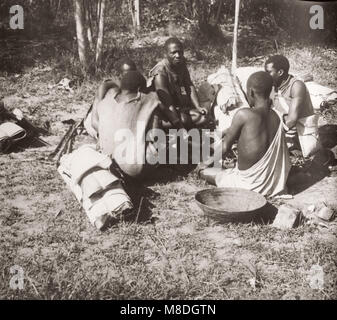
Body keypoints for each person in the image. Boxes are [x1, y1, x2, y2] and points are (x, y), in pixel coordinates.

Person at [197, 71, 291, 197]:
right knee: (230, 168)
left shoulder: (244, 114)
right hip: (275, 184)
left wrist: (203, 164)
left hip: (249, 185)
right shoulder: (277, 116)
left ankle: (205, 171)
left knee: (206, 171)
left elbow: (225, 147)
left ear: (250, 92)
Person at [96, 70, 162, 179]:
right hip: (132, 169)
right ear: (139, 90)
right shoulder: (149, 100)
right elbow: (155, 136)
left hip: (105, 163)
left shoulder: (105, 102)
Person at [265, 54, 323, 158]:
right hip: (285, 132)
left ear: (280, 72)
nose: (266, 76)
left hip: (302, 136)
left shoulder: (296, 85)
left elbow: (291, 120)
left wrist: (265, 135)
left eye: (268, 72)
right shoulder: (273, 87)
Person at [149, 37, 209, 129]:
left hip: (178, 107)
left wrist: (198, 106)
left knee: (203, 117)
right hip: (163, 111)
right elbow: (167, 104)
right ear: (165, 54)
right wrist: (181, 129)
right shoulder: (160, 72)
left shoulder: (180, 63)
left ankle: (184, 126)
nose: (178, 55)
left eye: (180, 52)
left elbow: (189, 85)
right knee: (185, 120)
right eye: (173, 53)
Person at [84, 58, 139, 138]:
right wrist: (106, 135)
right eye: (127, 74)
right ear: (119, 75)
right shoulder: (107, 87)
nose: (130, 77)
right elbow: (94, 121)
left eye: (133, 74)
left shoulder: (136, 86)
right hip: (96, 123)